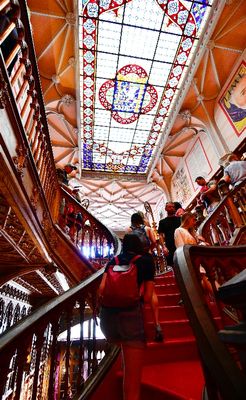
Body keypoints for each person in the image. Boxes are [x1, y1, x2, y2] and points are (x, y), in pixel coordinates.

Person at [98, 234, 155, 400]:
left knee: (124, 358)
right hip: (131, 317)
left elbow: (101, 290)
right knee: (132, 378)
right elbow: (148, 295)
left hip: (108, 319)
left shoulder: (112, 261)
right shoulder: (145, 261)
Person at [127, 213, 163, 342]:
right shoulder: (147, 229)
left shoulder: (129, 230)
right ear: (141, 220)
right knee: (152, 292)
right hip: (148, 259)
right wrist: (148, 250)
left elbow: (127, 247)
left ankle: (139, 326)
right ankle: (157, 325)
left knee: (136, 290)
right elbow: (154, 242)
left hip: (135, 260)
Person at [174, 212, 216, 295]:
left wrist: (201, 243)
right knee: (206, 280)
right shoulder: (179, 230)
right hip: (190, 260)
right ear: (188, 220)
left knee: (204, 284)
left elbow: (194, 245)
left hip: (197, 259)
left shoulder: (191, 232)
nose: (194, 222)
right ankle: (223, 301)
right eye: (193, 220)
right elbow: (181, 247)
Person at [158, 202, 181, 267]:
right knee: (173, 265)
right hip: (170, 246)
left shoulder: (180, 219)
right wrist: (163, 247)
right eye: (170, 207)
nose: (172, 208)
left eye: (173, 207)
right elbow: (160, 235)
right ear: (166, 209)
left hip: (180, 243)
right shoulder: (162, 222)